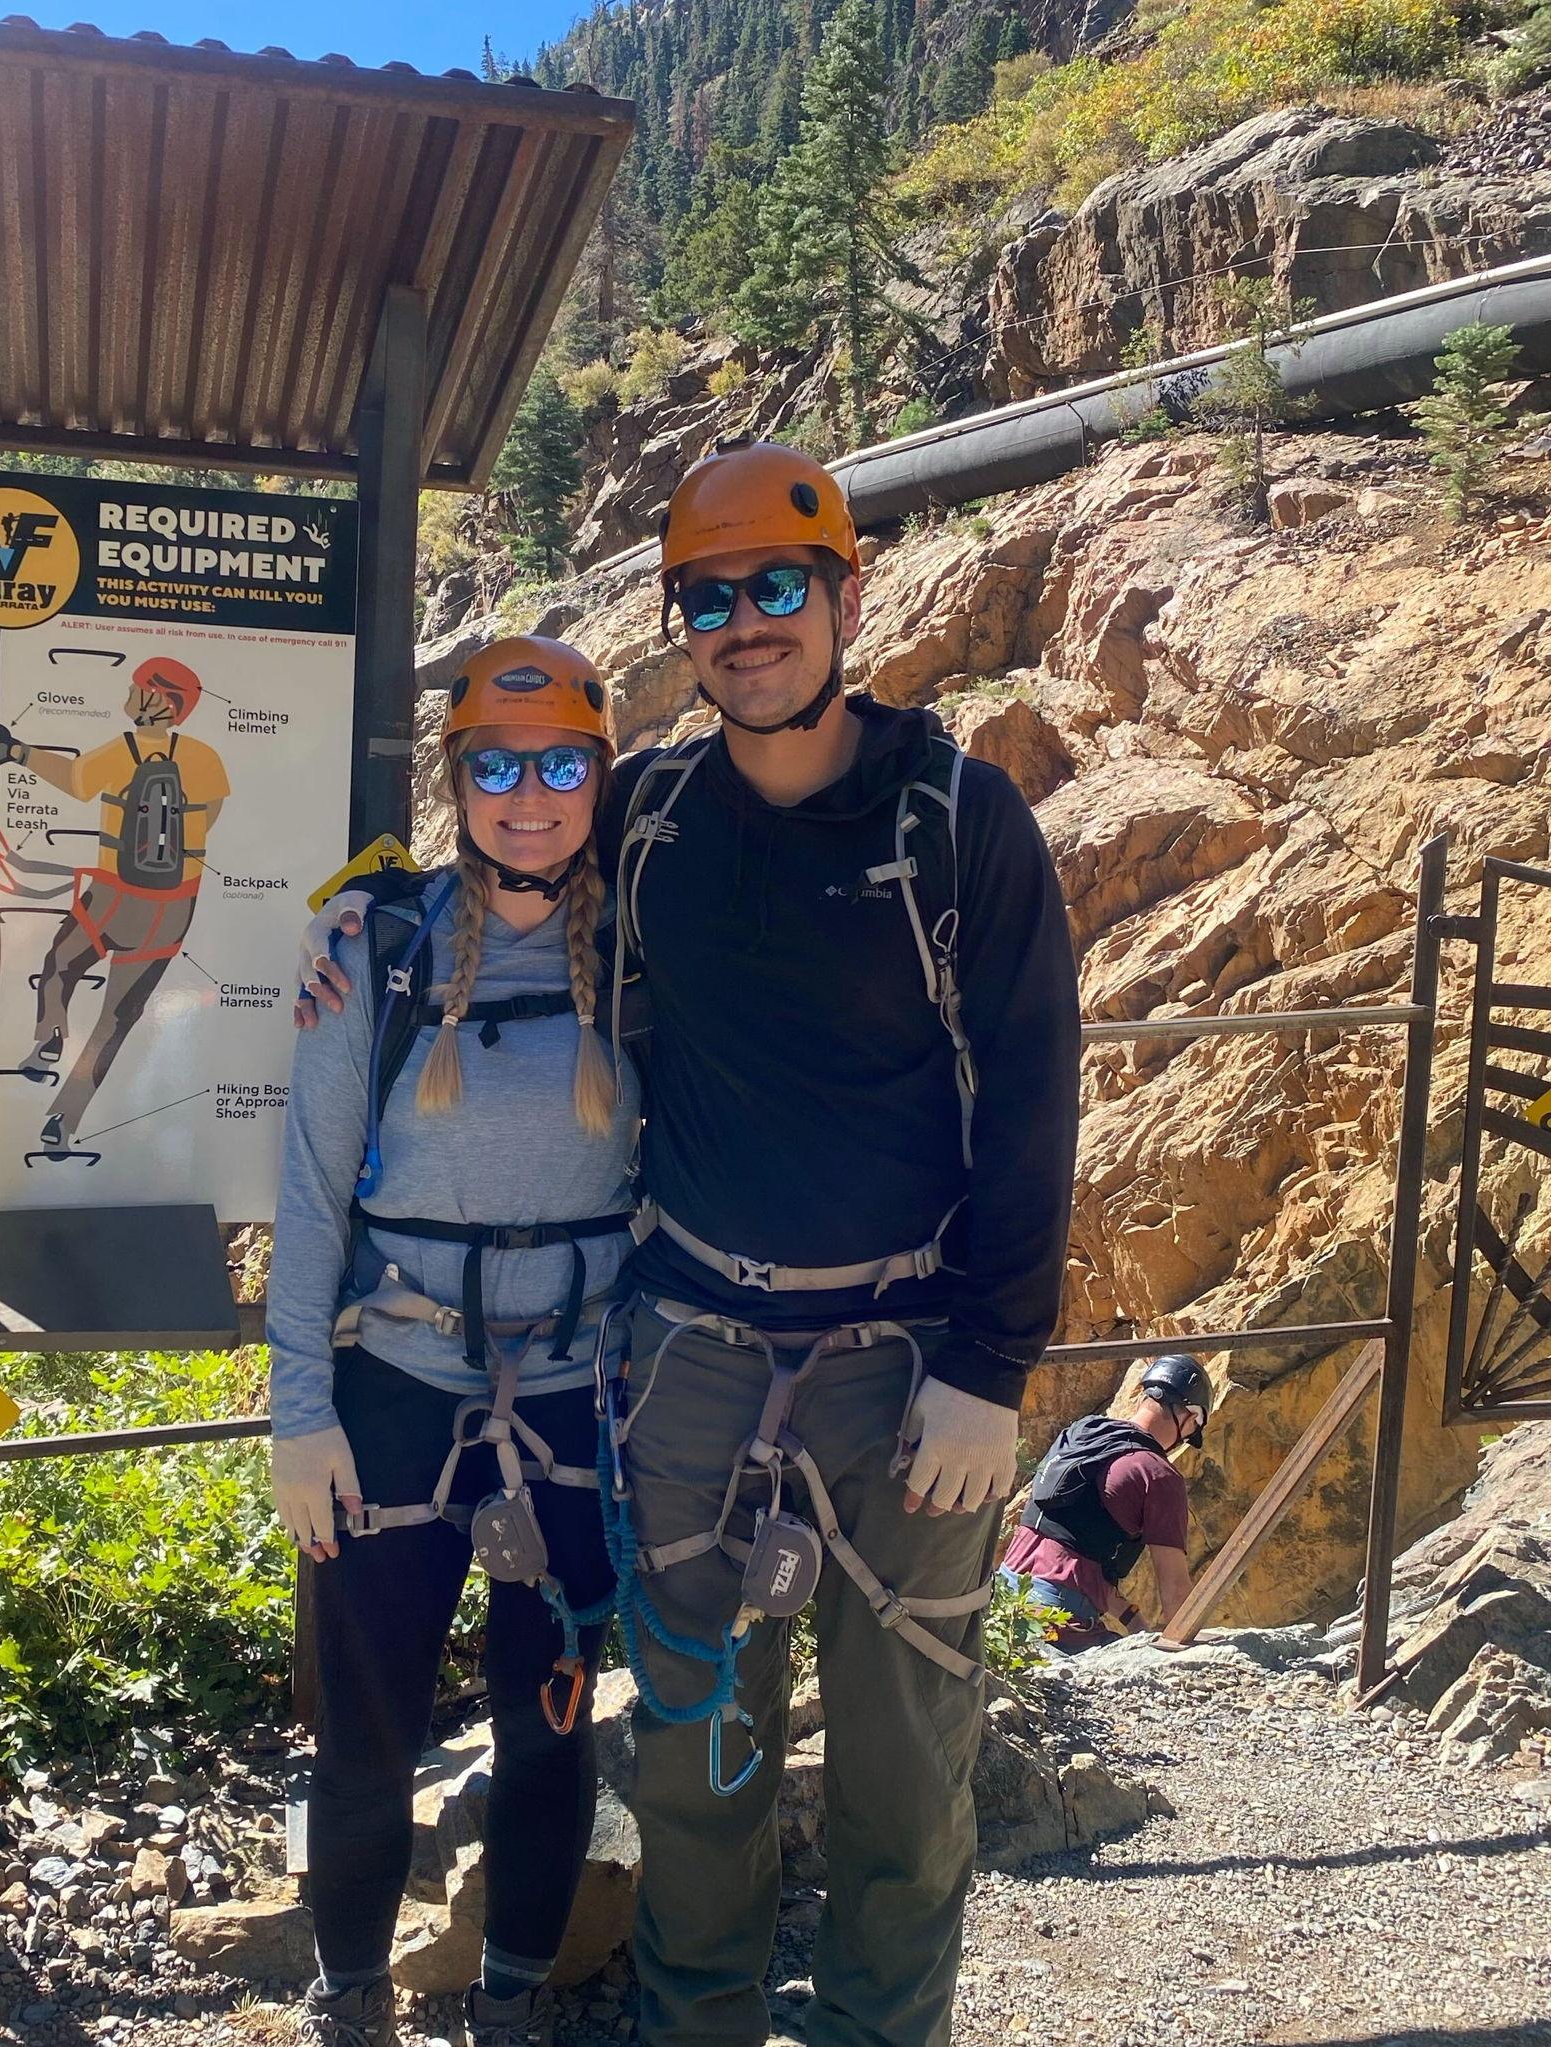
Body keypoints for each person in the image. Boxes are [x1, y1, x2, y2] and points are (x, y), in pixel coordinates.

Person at [299, 440, 1081, 2047]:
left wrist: (991, 1362)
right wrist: (356, 909)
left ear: (848, 594)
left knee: (901, 1757)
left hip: (906, 1363)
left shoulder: (958, 819)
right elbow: (496, 861)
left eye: (779, 585)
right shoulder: (649, 817)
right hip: (690, 1360)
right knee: (692, 1747)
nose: (746, 620)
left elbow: (1032, 1095)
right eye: (711, 595)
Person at [268, 636, 638, 2047]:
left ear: (598, 778)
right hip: (395, 1394)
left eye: (557, 765)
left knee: (550, 1717)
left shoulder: (641, 953)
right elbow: (310, 1191)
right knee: (367, 1724)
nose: (527, 797)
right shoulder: (379, 946)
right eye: (494, 765)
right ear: (456, 780)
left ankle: (515, 1993)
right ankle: (350, 1991)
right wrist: (300, 1410)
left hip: (572, 1399)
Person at [0, 653, 227, 1156]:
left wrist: (15, 752)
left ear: (158, 700)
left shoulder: (125, 750)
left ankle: (49, 1036)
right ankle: (63, 1122)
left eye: (137, 686)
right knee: (117, 1017)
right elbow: (210, 820)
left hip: (115, 896)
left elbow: (74, 780)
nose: (129, 693)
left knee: (61, 964)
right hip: (174, 907)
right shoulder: (206, 759)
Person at [1000, 1352, 1208, 1651]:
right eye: (1192, 1432)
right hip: (1054, 1619)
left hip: (1002, 1598)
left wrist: (1133, 1620)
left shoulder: (1080, 1435)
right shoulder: (1158, 1475)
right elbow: (1175, 1592)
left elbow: (1069, 1549)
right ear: (1189, 1417)